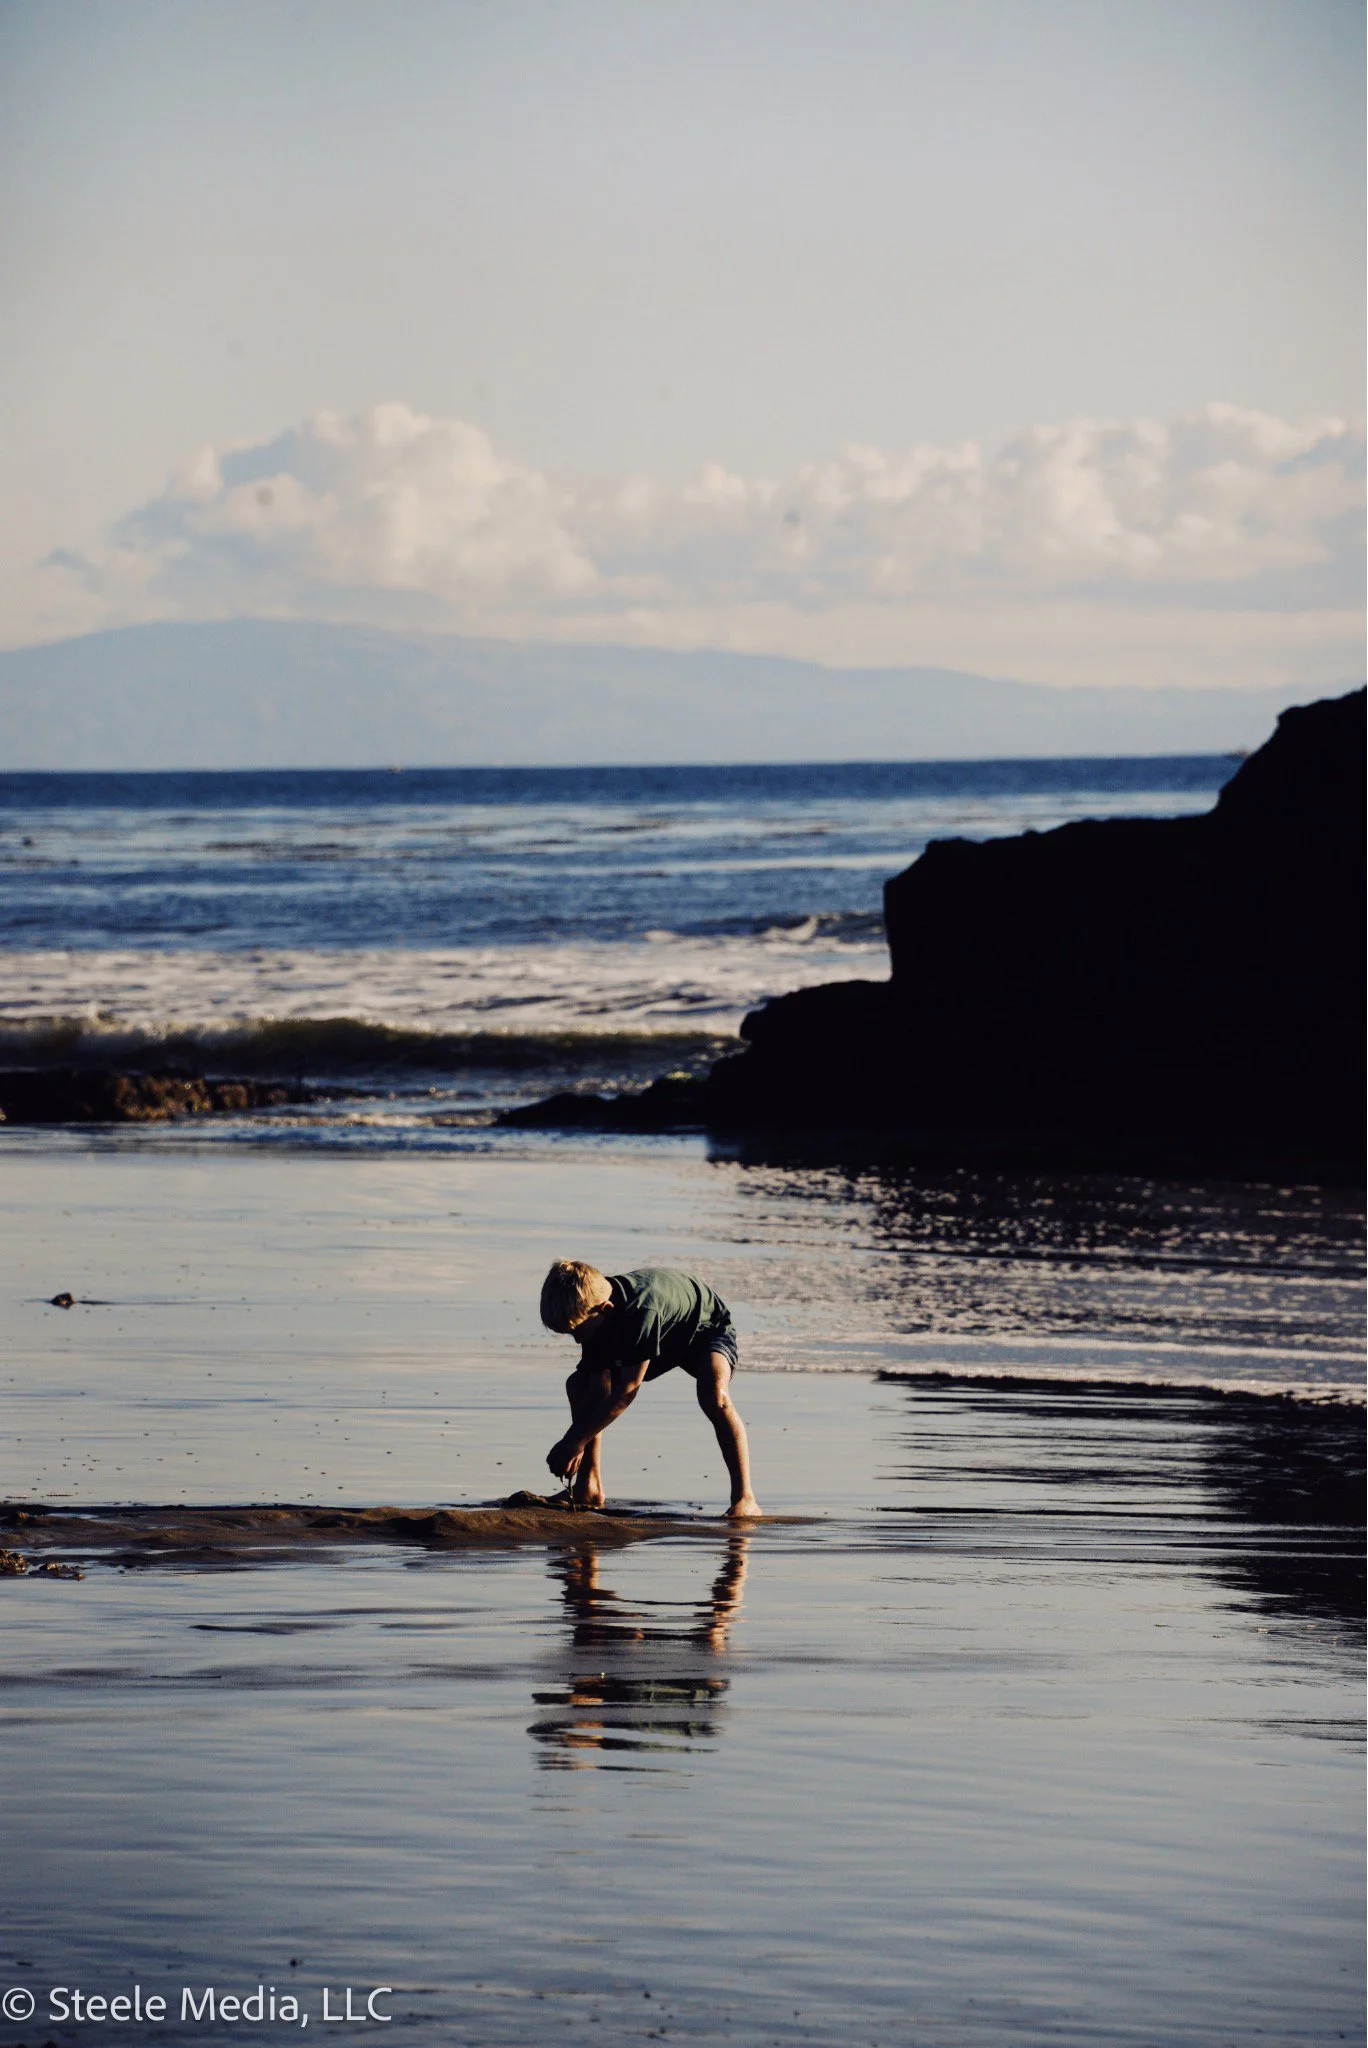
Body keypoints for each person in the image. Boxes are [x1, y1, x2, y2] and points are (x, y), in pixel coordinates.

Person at [539, 1260, 761, 1518]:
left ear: (605, 1310)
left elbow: (627, 1391)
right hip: (660, 1332)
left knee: (714, 1396)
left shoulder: (641, 1311)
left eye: (578, 1332)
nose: (577, 1340)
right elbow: (595, 1381)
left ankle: (746, 1498)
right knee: (581, 1385)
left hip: (705, 1331)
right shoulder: (592, 1305)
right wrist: (577, 1438)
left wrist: (575, 1440)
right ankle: (588, 1486)